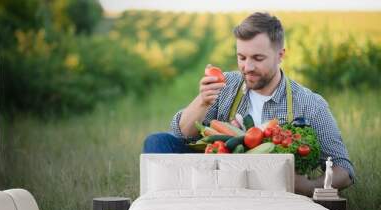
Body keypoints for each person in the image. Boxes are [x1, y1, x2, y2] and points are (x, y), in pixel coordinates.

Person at [142, 12, 354, 197]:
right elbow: (180, 135)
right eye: (241, 57)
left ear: (281, 55)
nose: (247, 67)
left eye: (258, 58)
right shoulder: (225, 84)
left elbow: (344, 170)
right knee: (157, 142)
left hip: (271, 193)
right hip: (216, 180)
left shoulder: (310, 104)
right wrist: (203, 101)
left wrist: (307, 187)